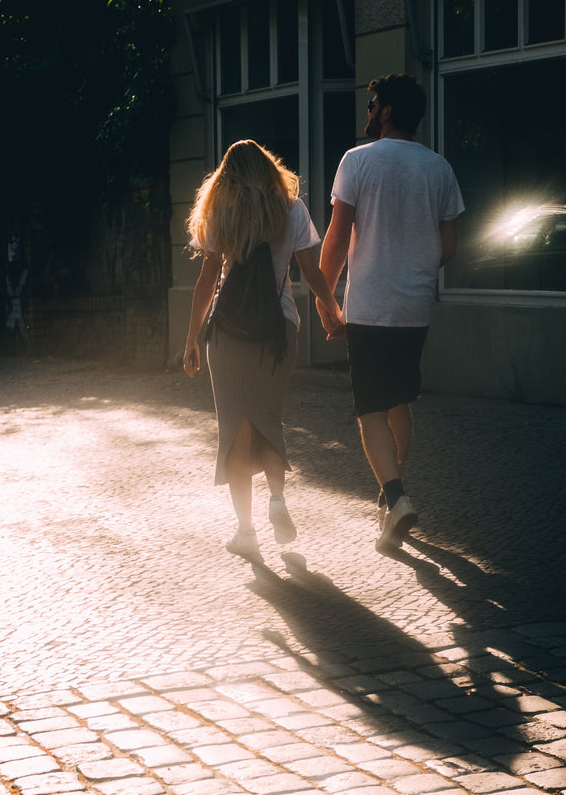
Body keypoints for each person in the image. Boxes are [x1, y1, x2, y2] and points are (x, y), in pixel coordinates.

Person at [317, 73, 464, 551]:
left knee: (370, 410)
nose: (368, 112)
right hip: (415, 306)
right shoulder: (438, 167)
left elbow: (336, 238)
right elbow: (448, 246)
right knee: (399, 401)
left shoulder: (357, 161)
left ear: (385, 111)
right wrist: (413, 263)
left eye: (372, 104)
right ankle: (389, 502)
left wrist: (325, 297)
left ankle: (396, 497)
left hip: (371, 306)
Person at [184, 140, 344, 561]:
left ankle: (246, 531)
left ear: (227, 175)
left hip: (229, 333)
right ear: (269, 170)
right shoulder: (292, 210)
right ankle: (277, 500)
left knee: (235, 428)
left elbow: (205, 282)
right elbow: (311, 273)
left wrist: (190, 340)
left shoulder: (220, 211)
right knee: (269, 420)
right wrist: (333, 312)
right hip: (279, 328)